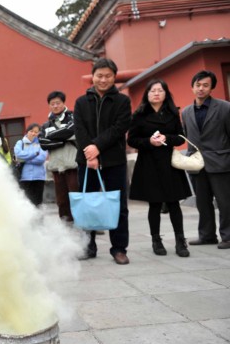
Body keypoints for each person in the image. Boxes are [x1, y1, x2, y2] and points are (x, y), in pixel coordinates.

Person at [73, 58, 132, 265]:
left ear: (114, 77)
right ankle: (88, 246)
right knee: (87, 204)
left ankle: (119, 248)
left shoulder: (122, 101)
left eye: (108, 76)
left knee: (118, 205)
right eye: (99, 75)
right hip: (86, 162)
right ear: (93, 77)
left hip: (114, 160)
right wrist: (90, 154)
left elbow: (120, 128)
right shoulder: (81, 102)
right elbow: (79, 130)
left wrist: (96, 147)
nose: (103, 79)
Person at [128, 79, 191, 257]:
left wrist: (166, 138)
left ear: (165, 94)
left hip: (169, 163)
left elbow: (180, 137)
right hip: (148, 163)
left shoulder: (172, 113)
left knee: (174, 203)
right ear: (147, 94)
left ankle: (181, 241)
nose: (156, 93)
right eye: (152, 90)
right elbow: (131, 140)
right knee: (154, 204)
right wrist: (149, 141)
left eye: (160, 90)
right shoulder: (139, 115)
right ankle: (156, 240)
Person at [182, 70, 230, 250]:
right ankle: (207, 235)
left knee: (225, 203)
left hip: (221, 163)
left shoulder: (225, 108)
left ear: (211, 88)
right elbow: (188, 138)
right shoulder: (186, 112)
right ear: (193, 87)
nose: (201, 89)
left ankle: (228, 236)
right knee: (202, 202)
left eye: (205, 85)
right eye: (198, 85)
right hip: (196, 164)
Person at [39, 91, 79, 221]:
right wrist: (63, 139)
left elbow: (71, 130)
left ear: (63, 103)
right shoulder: (46, 124)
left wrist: (51, 136)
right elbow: (43, 143)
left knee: (76, 196)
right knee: (61, 200)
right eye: (52, 104)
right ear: (49, 105)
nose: (55, 106)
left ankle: (82, 222)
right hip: (56, 167)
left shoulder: (73, 117)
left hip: (72, 165)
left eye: (58, 103)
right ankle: (66, 225)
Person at [15, 123, 47, 206]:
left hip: (39, 177)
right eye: (31, 131)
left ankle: (38, 219)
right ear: (27, 132)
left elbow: (41, 159)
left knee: (38, 202)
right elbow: (18, 155)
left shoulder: (42, 143)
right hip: (24, 178)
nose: (33, 133)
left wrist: (25, 159)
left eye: (36, 132)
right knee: (25, 203)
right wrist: (35, 154)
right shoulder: (20, 143)